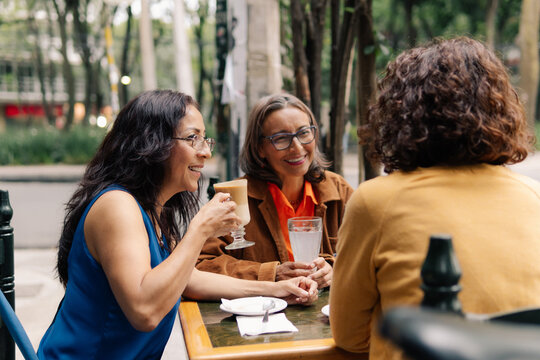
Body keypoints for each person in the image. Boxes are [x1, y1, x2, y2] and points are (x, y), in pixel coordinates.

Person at [37, 90, 318, 359]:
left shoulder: (154, 209)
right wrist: (200, 229)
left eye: (205, 139)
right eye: (193, 138)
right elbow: (144, 311)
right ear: (151, 143)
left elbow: (189, 280)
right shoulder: (116, 206)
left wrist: (278, 289)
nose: (205, 152)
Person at [330, 37, 540, 359]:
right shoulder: (533, 196)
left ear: (400, 115)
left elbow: (348, 336)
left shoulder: (375, 202)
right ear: (500, 111)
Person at [196, 93, 354, 289]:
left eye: (304, 133)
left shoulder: (338, 191)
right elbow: (202, 265)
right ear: (260, 148)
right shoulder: (236, 197)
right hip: (259, 315)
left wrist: (333, 268)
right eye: (281, 138)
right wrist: (271, 274)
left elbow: (368, 254)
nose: (297, 147)